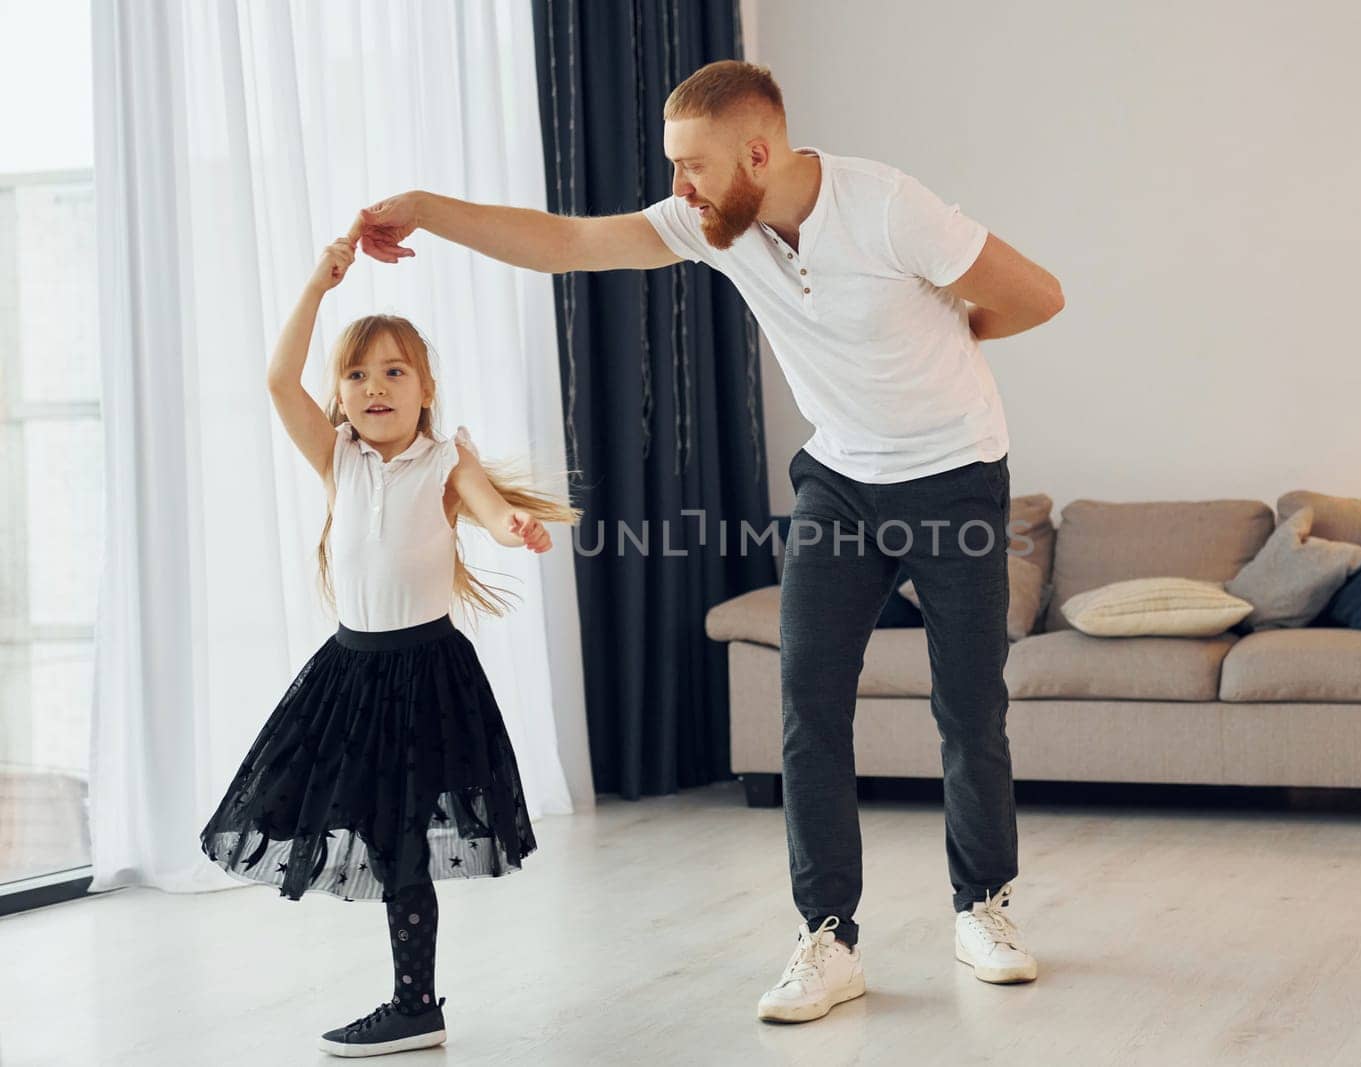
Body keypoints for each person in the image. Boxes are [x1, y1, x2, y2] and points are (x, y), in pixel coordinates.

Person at [352, 59, 1063, 1025]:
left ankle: (983, 908)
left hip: (955, 470)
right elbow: (568, 243)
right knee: (809, 703)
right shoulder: (712, 222)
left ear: (758, 153)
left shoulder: (891, 208)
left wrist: (948, 338)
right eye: (673, 168)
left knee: (968, 704)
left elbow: (1036, 295)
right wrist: (427, 207)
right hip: (842, 479)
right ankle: (829, 938)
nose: (678, 188)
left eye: (691, 165)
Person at [198, 233, 578, 1056]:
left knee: (401, 835)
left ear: (426, 388)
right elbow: (275, 378)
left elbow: (485, 507)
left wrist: (515, 528)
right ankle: (414, 1002)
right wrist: (318, 282)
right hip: (349, 671)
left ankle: (414, 1004)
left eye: (394, 370)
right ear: (341, 394)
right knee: (345, 821)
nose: (375, 386)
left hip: (424, 676)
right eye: (358, 373)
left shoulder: (445, 461)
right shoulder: (338, 459)